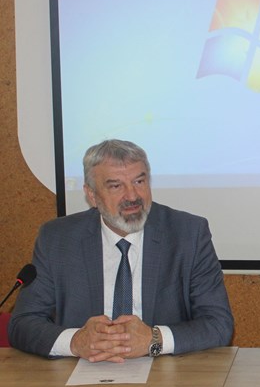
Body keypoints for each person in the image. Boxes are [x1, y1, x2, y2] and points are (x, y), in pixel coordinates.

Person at [9, 139, 234, 362]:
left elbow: (218, 324)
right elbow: (23, 323)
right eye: (116, 186)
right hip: (81, 372)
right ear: (91, 195)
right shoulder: (57, 239)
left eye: (139, 181)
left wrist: (153, 339)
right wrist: (76, 342)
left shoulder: (188, 234)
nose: (132, 196)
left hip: (165, 374)